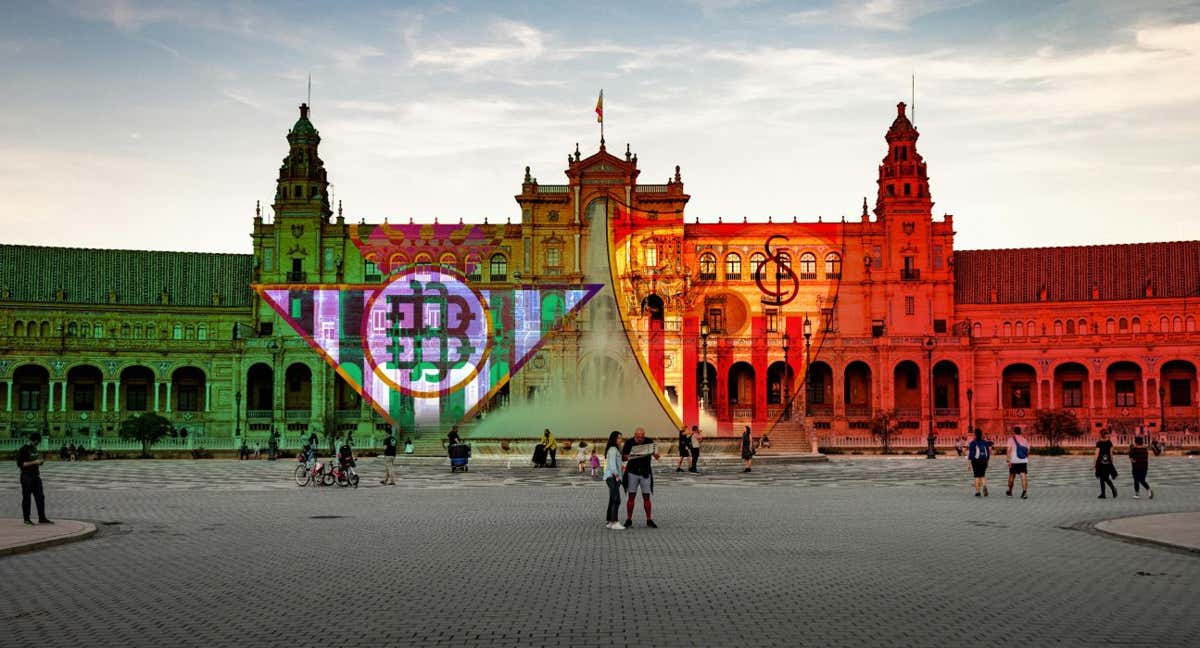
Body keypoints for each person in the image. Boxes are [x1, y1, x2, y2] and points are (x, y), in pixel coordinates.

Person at [621, 427, 661, 528]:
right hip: (632, 472)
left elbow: (657, 456)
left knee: (646, 497)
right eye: (638, 437)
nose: (640, 439)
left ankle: (649, 519)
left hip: (645, 472)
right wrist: (632, 455)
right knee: (631, 496)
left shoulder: (649, 441)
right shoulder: (629, 442)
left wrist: (656, 455)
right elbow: (623, 457)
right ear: (635, 435)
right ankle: (629, 519)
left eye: (642, 437)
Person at [16, 433, 52, 526]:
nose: (38, 444)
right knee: (27, 498)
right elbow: (21, 464)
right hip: (26, 476)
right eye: (37, 442)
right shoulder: (23, 449)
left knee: (40, 497)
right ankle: (26, 519)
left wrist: (40, 462)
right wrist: (34, 462)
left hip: (36, 476)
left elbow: (36, 460)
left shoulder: (34, 449)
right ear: (34, 440)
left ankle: (42, 518)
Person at [603, 431, 625, 531]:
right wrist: (617, 476)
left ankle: (610, 521)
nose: (621, 440)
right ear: (614, 439)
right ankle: (615, 522)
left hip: (611, 477)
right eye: (619, 438)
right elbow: (612, 465)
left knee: (612, 499)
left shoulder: (615, 449)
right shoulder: (612, 450)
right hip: (612, 477)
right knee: (617, 500)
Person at [1006, 426, 1030, 499]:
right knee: (1023, 476)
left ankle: (1010, 491)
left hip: (1013, 460)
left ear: (1014, 432)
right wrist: (1025, 457)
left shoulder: (1010, 440)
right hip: (1023, 460)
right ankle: (1024, 492)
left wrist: (1008, 460)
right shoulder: (1024, 440)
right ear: (1021, 432)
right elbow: (1028, 451)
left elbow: (1008, 450)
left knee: (1012, 475)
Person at [1095, 428, 1117, 499]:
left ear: (1101, 435)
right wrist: (1112, 462)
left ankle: (1111, 489)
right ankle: (1104, 493)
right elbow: (1111, 454)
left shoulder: (1099, 443)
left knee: (1103, 478)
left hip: (1100, 463)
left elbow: (1096, 454)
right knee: (1104, 478)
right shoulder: (1109, 442)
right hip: (1108, 462)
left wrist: (1094, 463)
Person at [967, 428, 990, 497]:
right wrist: (987, 462)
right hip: (984, 460)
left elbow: (970, 455)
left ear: (975, 434)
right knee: (982, 475)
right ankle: (985, 486)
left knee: (977, 476)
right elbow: (988, 453)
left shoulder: (972, 443)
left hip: (976, 461)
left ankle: (977, 492)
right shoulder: (985, 442)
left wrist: (969, 464)